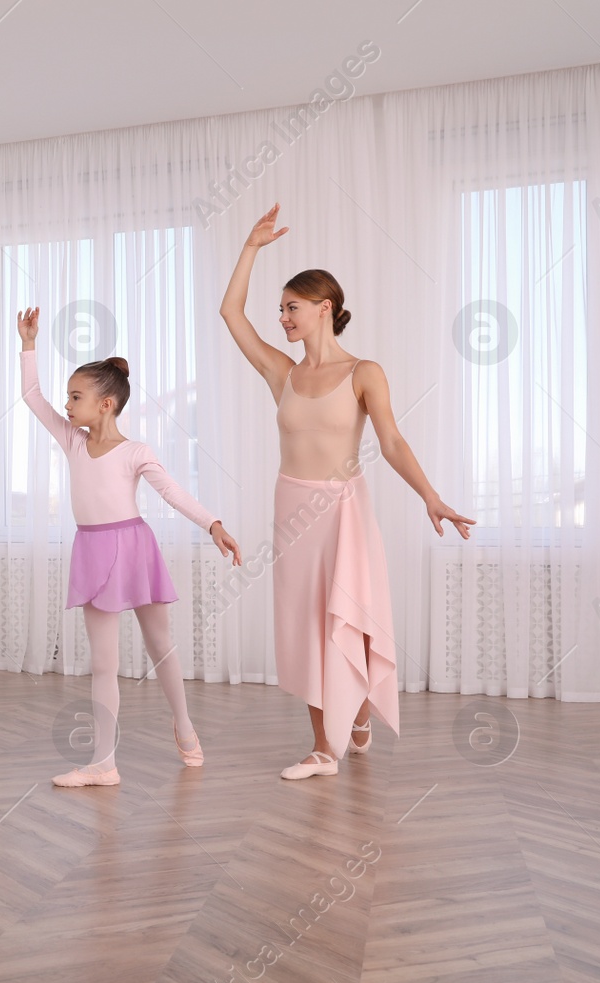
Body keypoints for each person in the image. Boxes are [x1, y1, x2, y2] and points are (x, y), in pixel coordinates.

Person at [219, 203, 474, 780]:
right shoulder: (282, 373)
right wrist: (251, 247)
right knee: (305, 625)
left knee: (347, 616)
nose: (282, 318)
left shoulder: (364, 371)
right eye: (281, 309)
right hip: (292, 511)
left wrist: (430, 496)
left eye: (292, 308)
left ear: (324, 308)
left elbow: (392, 442)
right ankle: (322, 748)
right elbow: (230, 312)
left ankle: (353, 714)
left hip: (342, 509)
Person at [18, 307, 242, 787]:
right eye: (68, 396)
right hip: (93, 549)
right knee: (103, 661)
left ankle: (183, 724)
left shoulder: (137, 451)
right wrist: (29, 344)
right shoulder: (72, 440)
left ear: (105, 404)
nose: (67, 403)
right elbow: (31, 396)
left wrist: (213, 524)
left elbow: (173, 493)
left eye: (76, 396)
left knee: (161, 645)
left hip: (134, 546)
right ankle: (103, 762)